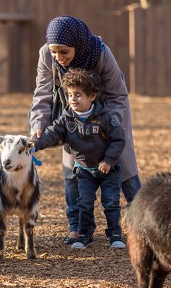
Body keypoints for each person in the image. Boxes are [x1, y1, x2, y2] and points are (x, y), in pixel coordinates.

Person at [29, 15, 141, 245]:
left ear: (77, 45)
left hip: (108, 118)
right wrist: (39, 124)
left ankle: (146, 225)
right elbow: (42, 93)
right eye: (54, 52)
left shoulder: (100, 53)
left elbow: (118, 95)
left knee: (124, 167)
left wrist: (110, 125)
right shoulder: (46, 56)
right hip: (73, 117)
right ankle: (77, 229)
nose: (59, 58)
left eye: (64, 52)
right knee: (72, 170)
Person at [30, 68, 126, 249]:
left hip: (107, 170)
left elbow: (119, 139)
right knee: (84, 203)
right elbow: (51, 134)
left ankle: (115, 233)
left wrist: (109, 160)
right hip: (84, 170)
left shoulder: (104, 117)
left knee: (111, 202)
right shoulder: (66, 118)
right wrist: (35, 144)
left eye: (78, 95)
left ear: (91, 97)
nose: (72, 99)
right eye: (70, 95)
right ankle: (85, 234)